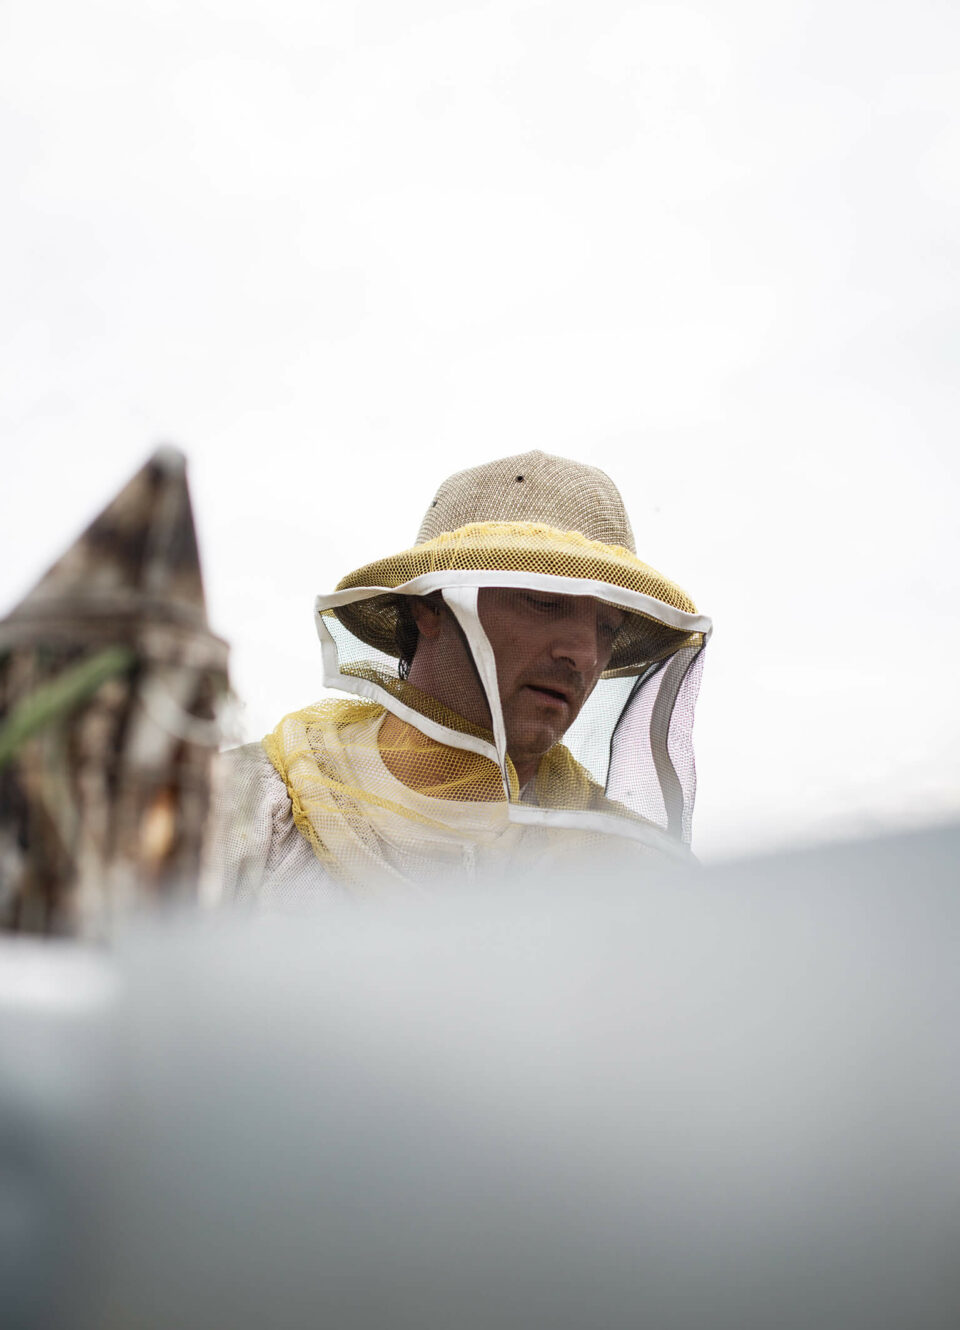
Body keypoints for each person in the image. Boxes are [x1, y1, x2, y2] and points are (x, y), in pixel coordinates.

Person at [214, 450, 711, 900]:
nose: (583, 654)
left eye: (607, 627)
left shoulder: (637, 876)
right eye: (544, 601)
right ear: (430, 607)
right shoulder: (241, 805)